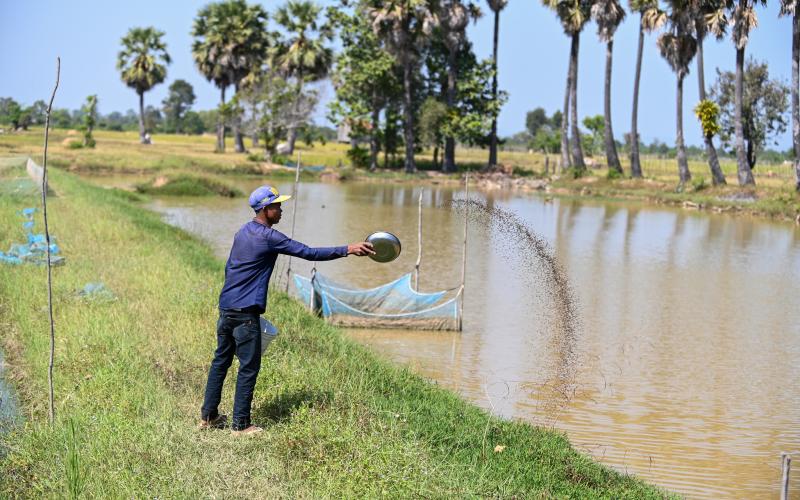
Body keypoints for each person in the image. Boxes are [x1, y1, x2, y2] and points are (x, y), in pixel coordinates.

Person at [199, 185, 374, 435]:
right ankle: (240, 425)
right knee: (248, 367)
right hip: (246, 313)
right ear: (265, 209)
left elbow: (230, 267)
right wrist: (348, 249)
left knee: (220, 362)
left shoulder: (243, 232)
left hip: (226, 307)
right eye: (277, 206)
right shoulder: (270, 237)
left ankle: (208, 417)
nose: (281, 210)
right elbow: (309, 253)